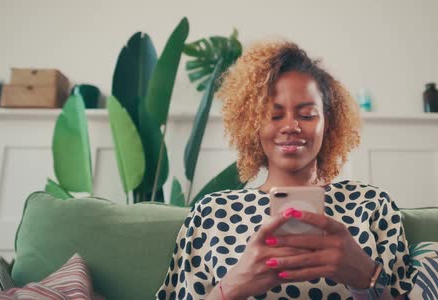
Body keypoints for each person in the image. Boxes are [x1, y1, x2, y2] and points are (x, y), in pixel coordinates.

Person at [156, 40, 417, 300]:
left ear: (328, 122)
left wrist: (366, 276)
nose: (291, 126)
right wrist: (233, 286)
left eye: (306, 115)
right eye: (274, 115)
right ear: (253, 123)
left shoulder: (370, 204)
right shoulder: (213, 213)